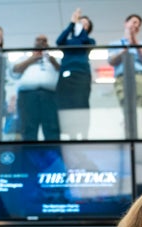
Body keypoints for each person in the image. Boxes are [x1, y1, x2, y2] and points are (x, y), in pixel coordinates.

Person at [56, 8, 96, 140]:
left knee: (82, 102)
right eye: (80, 23)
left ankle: (84, 134)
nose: (81, 25)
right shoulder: (67, 41)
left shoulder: (89, 41)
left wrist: (80, 28)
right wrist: (72, 23)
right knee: (66, 103)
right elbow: (59, 41)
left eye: (85, 24)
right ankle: (70, 134)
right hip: (66, 75)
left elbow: (83, 41)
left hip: (82, 74)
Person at [12, 34, 61, 141]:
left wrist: (52, 61)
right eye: (38, 40)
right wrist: (32, 59)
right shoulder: (24, 57)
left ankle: (52, 156)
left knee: (52, 129)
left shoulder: (54, 59)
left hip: (50, 97)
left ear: (48, 44)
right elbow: (15, 70)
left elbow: (62, 72)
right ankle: (29, 156)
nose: (41, 42)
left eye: (44, 40)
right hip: (27, 97)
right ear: (34, 43)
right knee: (28, 129)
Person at [108, 14, 142, 110]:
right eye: (134, 22)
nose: (136, 25)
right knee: (124, 105)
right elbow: (111, 61)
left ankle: (138, 124)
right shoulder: (115, 44)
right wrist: (124, 50)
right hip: (121, 77)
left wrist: (135, 42)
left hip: (139, 77)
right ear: (126, 23)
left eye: (138, 25)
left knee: (138, 105)